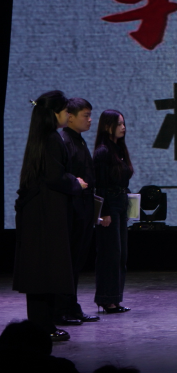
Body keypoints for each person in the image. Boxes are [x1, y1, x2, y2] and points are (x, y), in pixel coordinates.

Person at [13, 91, 88, 342]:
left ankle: (41, 326)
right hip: (47, 215)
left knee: (39, 274)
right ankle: (44, 327)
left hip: (38, 213)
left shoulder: (40, 138)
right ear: (55, 113)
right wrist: (76, 183)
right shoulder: (52, 139)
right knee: (46, 273)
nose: (68, 115)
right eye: (66, 111)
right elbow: (55, 176)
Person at [56, 98, 101, 325]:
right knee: (69, 262)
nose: (90, 120)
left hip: (83, 207)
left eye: (90, 115)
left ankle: (72, 307)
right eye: (85, 115)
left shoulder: (79, 140)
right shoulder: (65, 141)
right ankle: (62, 309)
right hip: (72, 208)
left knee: (77, 261)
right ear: (70, 117)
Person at [94, 109, 134, 313]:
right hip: (110, 204)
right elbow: (100, 185)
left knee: (121, 254)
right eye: (119, 124)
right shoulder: (103, 152)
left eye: (123, 123)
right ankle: (106, 299)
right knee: (110, 254)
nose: (123, 127)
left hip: (121, 203)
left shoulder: (119, 149)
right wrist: (105, 212)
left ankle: (115, 298)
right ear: (107, 126)